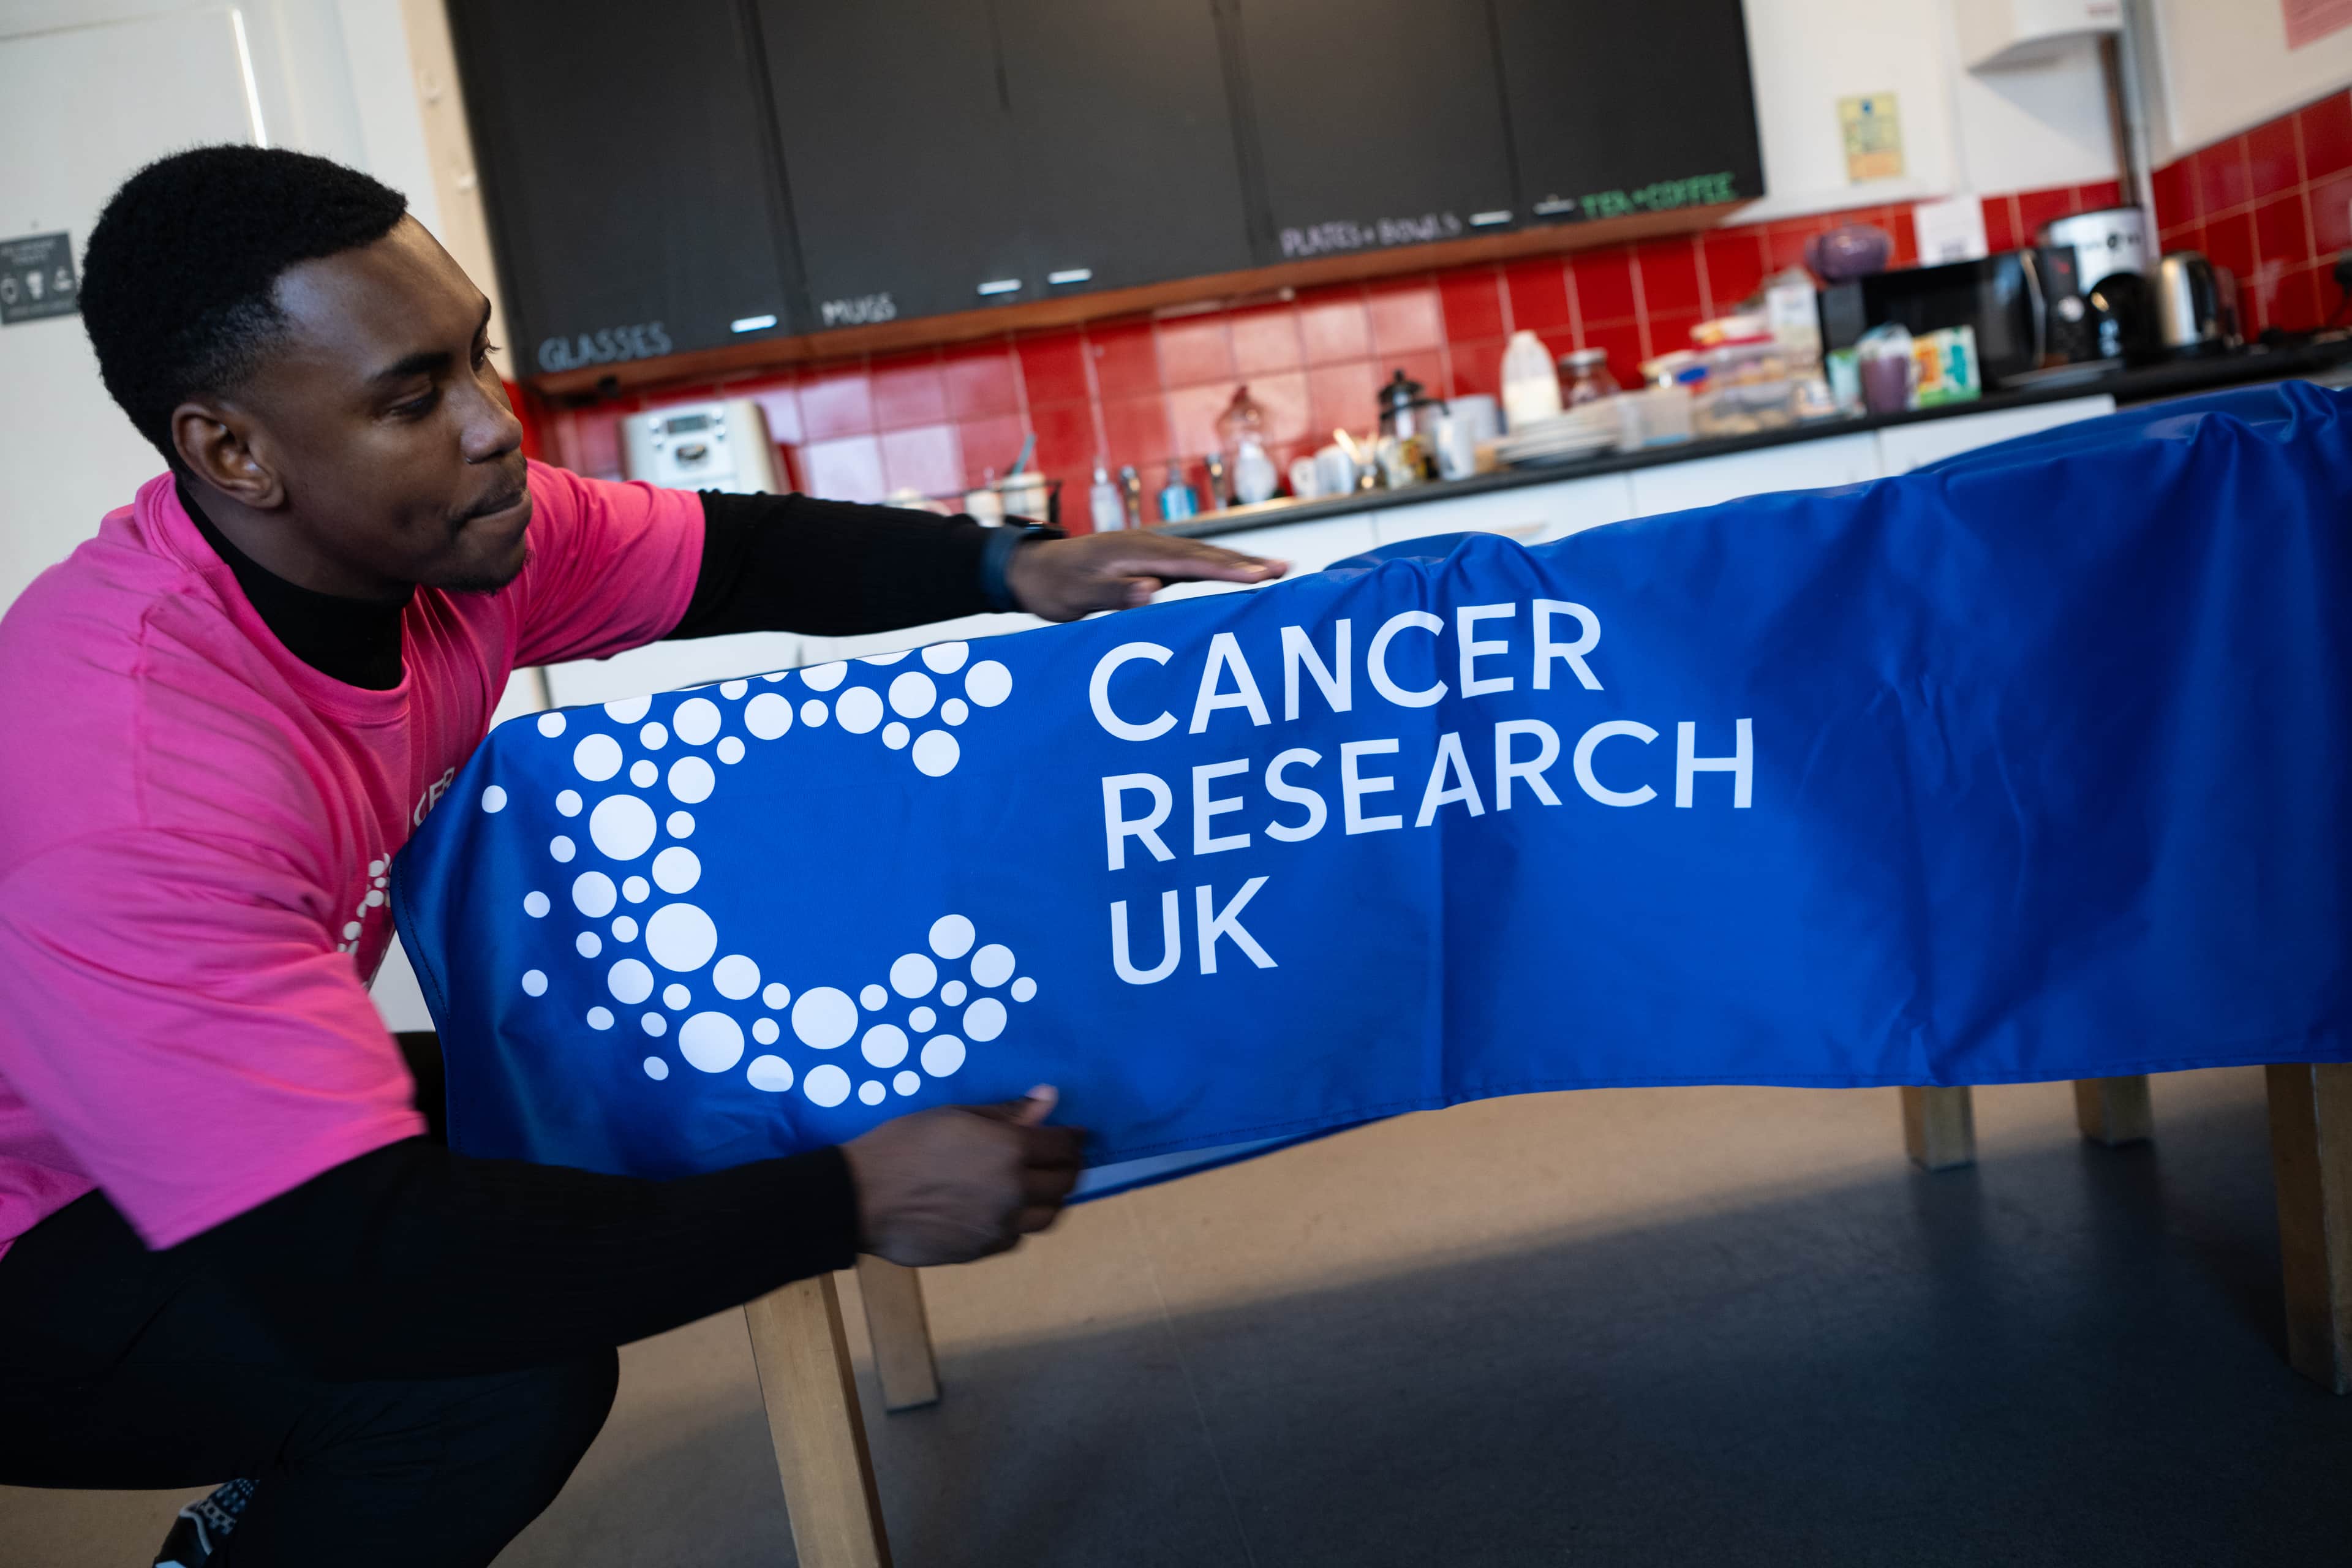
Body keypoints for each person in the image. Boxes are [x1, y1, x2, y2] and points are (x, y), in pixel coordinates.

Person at [0, 145, 1284, 1567]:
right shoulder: (137, 778)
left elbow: (730, 554)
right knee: (489, 1376)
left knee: (585, 1066)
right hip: (29, 1242)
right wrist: (850, 1198)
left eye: (473, 359)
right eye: (415, 396)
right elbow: (351, 1268)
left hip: (142, 1138)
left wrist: (1014, 568)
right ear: (233, 450)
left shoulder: (435, 546)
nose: (496, 428)